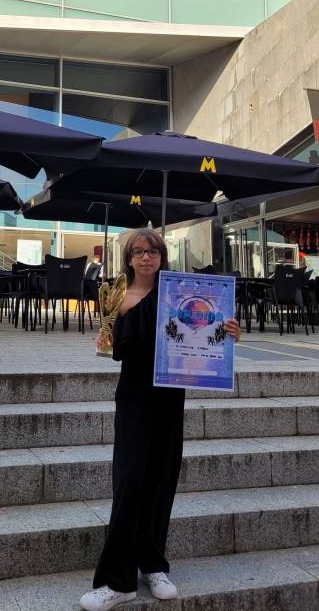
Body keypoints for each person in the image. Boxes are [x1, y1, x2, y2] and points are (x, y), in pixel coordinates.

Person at [80, 228, 241, 611]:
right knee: (130, 480)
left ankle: (153, 564)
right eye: (138, 252)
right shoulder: (117, 296)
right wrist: (108, 334)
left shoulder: (181, 295)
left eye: (152, 251)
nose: (146, 257)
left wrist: (228, 332)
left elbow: (202, 336)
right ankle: (117, 580)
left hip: (170, 392)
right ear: (128, 258)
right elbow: (113, 349)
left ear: (162, 256)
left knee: (161, 477)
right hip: (135, 395)